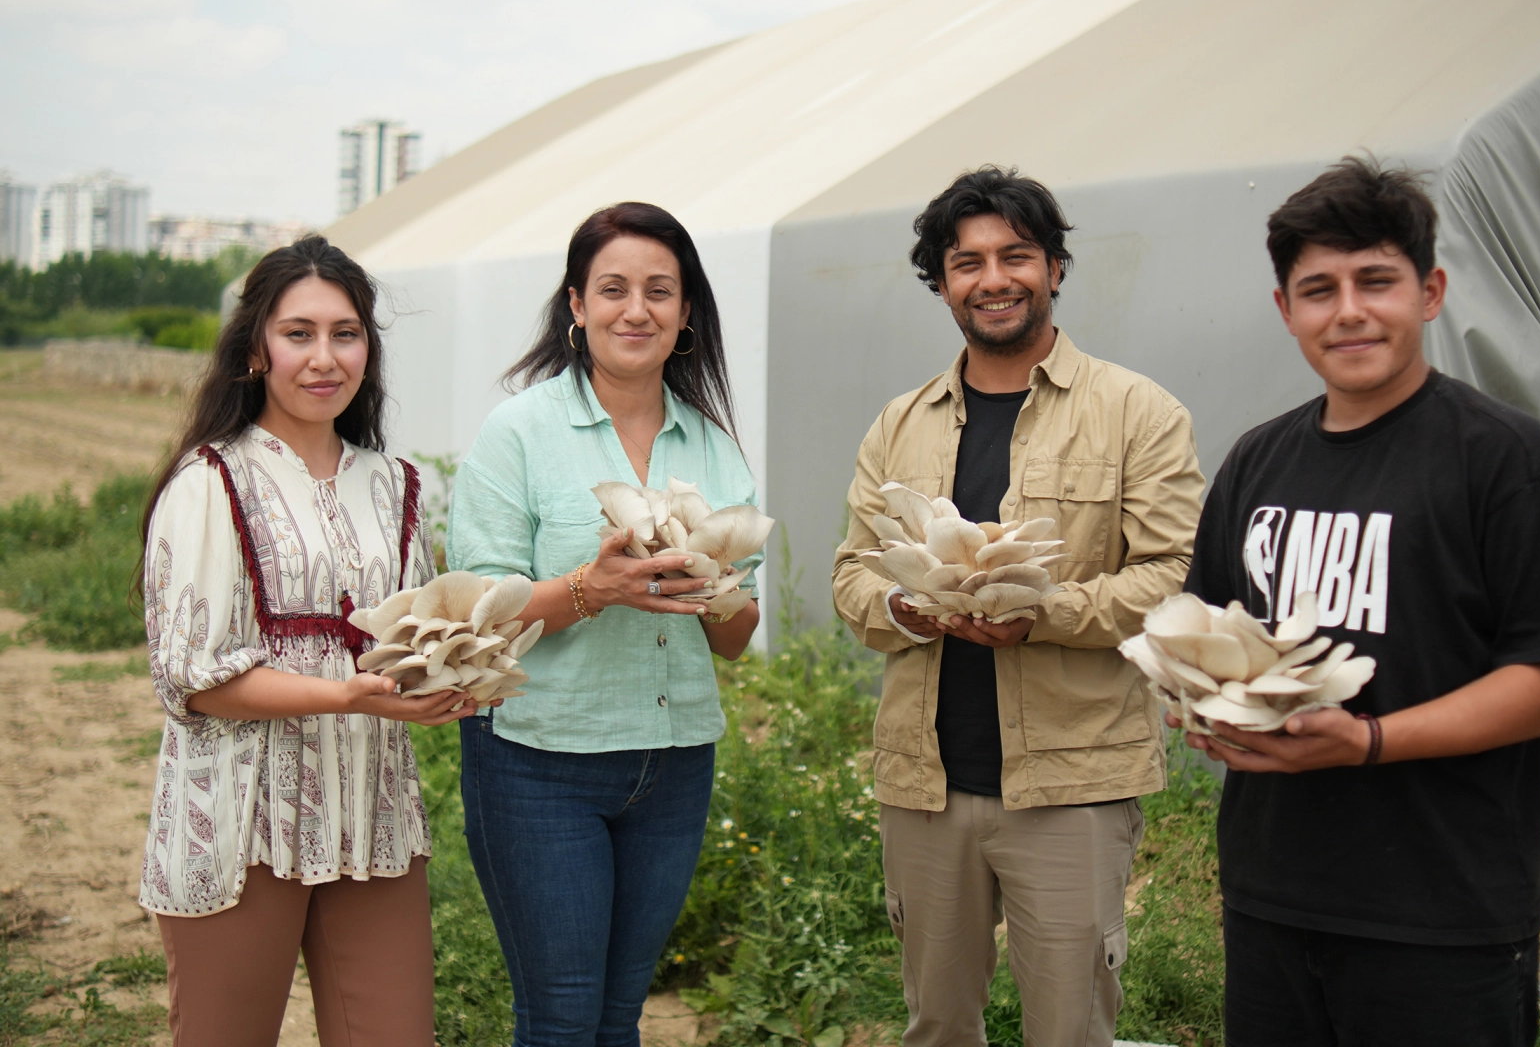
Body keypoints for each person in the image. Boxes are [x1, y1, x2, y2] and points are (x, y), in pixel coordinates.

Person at [1176, 157, 1540, 1046]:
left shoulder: (1505, 461)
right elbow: (1202, 630)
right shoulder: (1257, 462)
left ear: (1431, 290)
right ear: (1287, 310)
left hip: (1442, 912)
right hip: (1274, 893)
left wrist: (1366, 742)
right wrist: (1203, 708)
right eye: (1317, 289)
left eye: (1376, 280)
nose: (1350, 311)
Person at [830, 166, 1205, 1047]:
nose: (993, 279)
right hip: (926, 786)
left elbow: (1172, 574)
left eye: (1017, 256)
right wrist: (910, 605)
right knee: (937, 1026)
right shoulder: (901, 424)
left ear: (1056, 269)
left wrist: (1043, 613)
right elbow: (851, 577)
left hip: (1072, 786)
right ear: (943, 283)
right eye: (968, 263)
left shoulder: (1135, 412)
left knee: (1069, 1031)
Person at [139, 235, 485, 1046]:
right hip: (238, 823)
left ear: (369, 346)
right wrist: (347, 696)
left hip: (374, 821)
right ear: (255, 346)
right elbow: (193, 677)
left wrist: (446, 676)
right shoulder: (209, 481)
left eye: (346, 332)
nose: (324, 357)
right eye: (299, 333)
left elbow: (409, 635)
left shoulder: (393, 484)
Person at [447, 202, 762, 1047]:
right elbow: (475, 620)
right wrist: (592, 587)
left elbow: (734, 638)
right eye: (613, 289)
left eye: (660, 291)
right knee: (560, 1018)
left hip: (674, 764)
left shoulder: (714, 446)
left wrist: (713, 586)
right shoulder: (518, 433)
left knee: (619, 1019)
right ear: (577, 306)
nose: (638, 309)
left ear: (686, 312)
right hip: (538, 765)